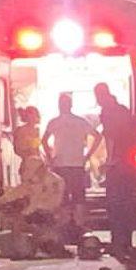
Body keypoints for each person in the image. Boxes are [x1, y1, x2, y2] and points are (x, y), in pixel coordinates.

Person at [89, 82, 136, 256]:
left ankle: (118, 242)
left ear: (100, 95)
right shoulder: (123, 110)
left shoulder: (108, 112)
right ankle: (126, 241)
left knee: (115, 204)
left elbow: (110, 138)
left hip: (118, 164)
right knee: (126, 203)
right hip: (129, 162)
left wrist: (109, 161)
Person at [0, 155, 68, 257]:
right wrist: (4, 202)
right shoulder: (29, 183)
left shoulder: (54, 182)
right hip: (31, 217)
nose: (25, 172)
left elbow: (53, 204)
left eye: (28, 169)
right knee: (11, 215)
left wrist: (29, 209)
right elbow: (8, 197)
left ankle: (41, 242)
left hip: (46, 218)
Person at [42, 93, 98, 227]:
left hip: (60, 165)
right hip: (77, 164)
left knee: (62, 198)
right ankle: (79, 226)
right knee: (79, 198)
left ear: (59, 105)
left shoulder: (54, 122)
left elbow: (44, 140)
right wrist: (87, 155)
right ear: (71, 105)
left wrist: (50, 158)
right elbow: (98, 136)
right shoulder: (80, 121)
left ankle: (64, 227)